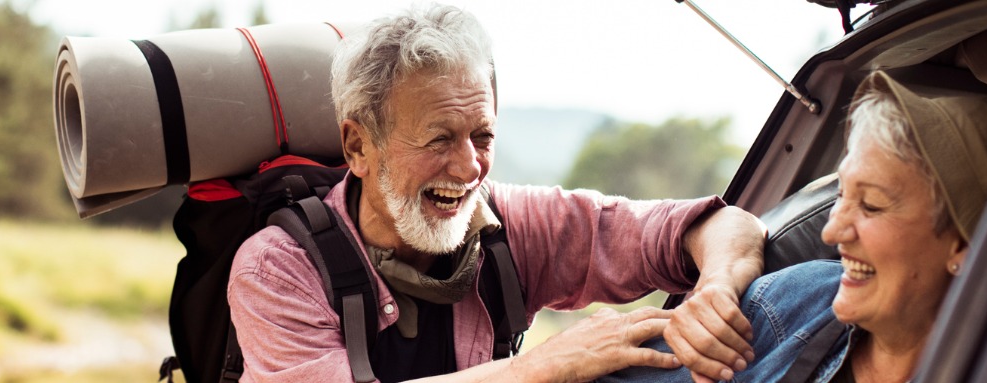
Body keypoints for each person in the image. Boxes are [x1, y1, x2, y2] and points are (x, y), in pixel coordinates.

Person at [225, 4, 767, 382]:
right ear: (359, 146)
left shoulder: (510, 226)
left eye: (482, 136)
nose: (469, 167)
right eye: (439, 139)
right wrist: (537, 369)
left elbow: (723, 225)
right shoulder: (276, 270)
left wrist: (719, 287)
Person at [654, 71, 987, 383]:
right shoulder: (795, 299)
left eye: (871, 205)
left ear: (965, 243)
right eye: (842, 195)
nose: (831, 233)